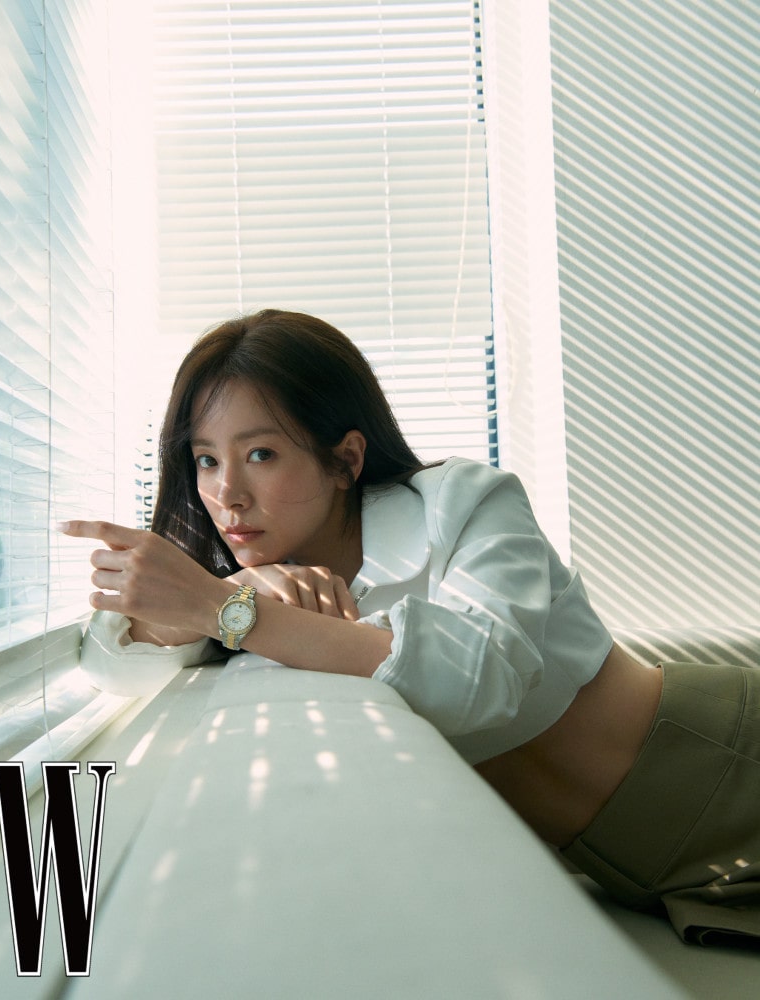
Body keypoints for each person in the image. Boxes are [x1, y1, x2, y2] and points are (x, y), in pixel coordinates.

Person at [62, 308, 759, 946]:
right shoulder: (265, 587)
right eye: (206, 459)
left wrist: (231, 612)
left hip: (722, 765)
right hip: (643, 872)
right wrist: (227, 598)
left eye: (261, 454)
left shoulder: (464, 503)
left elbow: (481, 680)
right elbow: (109, 663)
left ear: (346, 459)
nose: (227, 494)